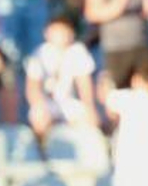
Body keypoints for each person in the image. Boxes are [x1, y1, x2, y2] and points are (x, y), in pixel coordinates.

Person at [24, 15, 99, 145]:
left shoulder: (78, 51)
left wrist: (90, 107)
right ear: (47, 33)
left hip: (70, 102)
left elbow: (84, 85)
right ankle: (42, 152)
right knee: (40, 119)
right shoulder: (40, 52)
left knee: (90, 120)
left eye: (64, 31)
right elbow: (32, 87)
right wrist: (40, 106)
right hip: (46, 103)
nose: (60, 36)